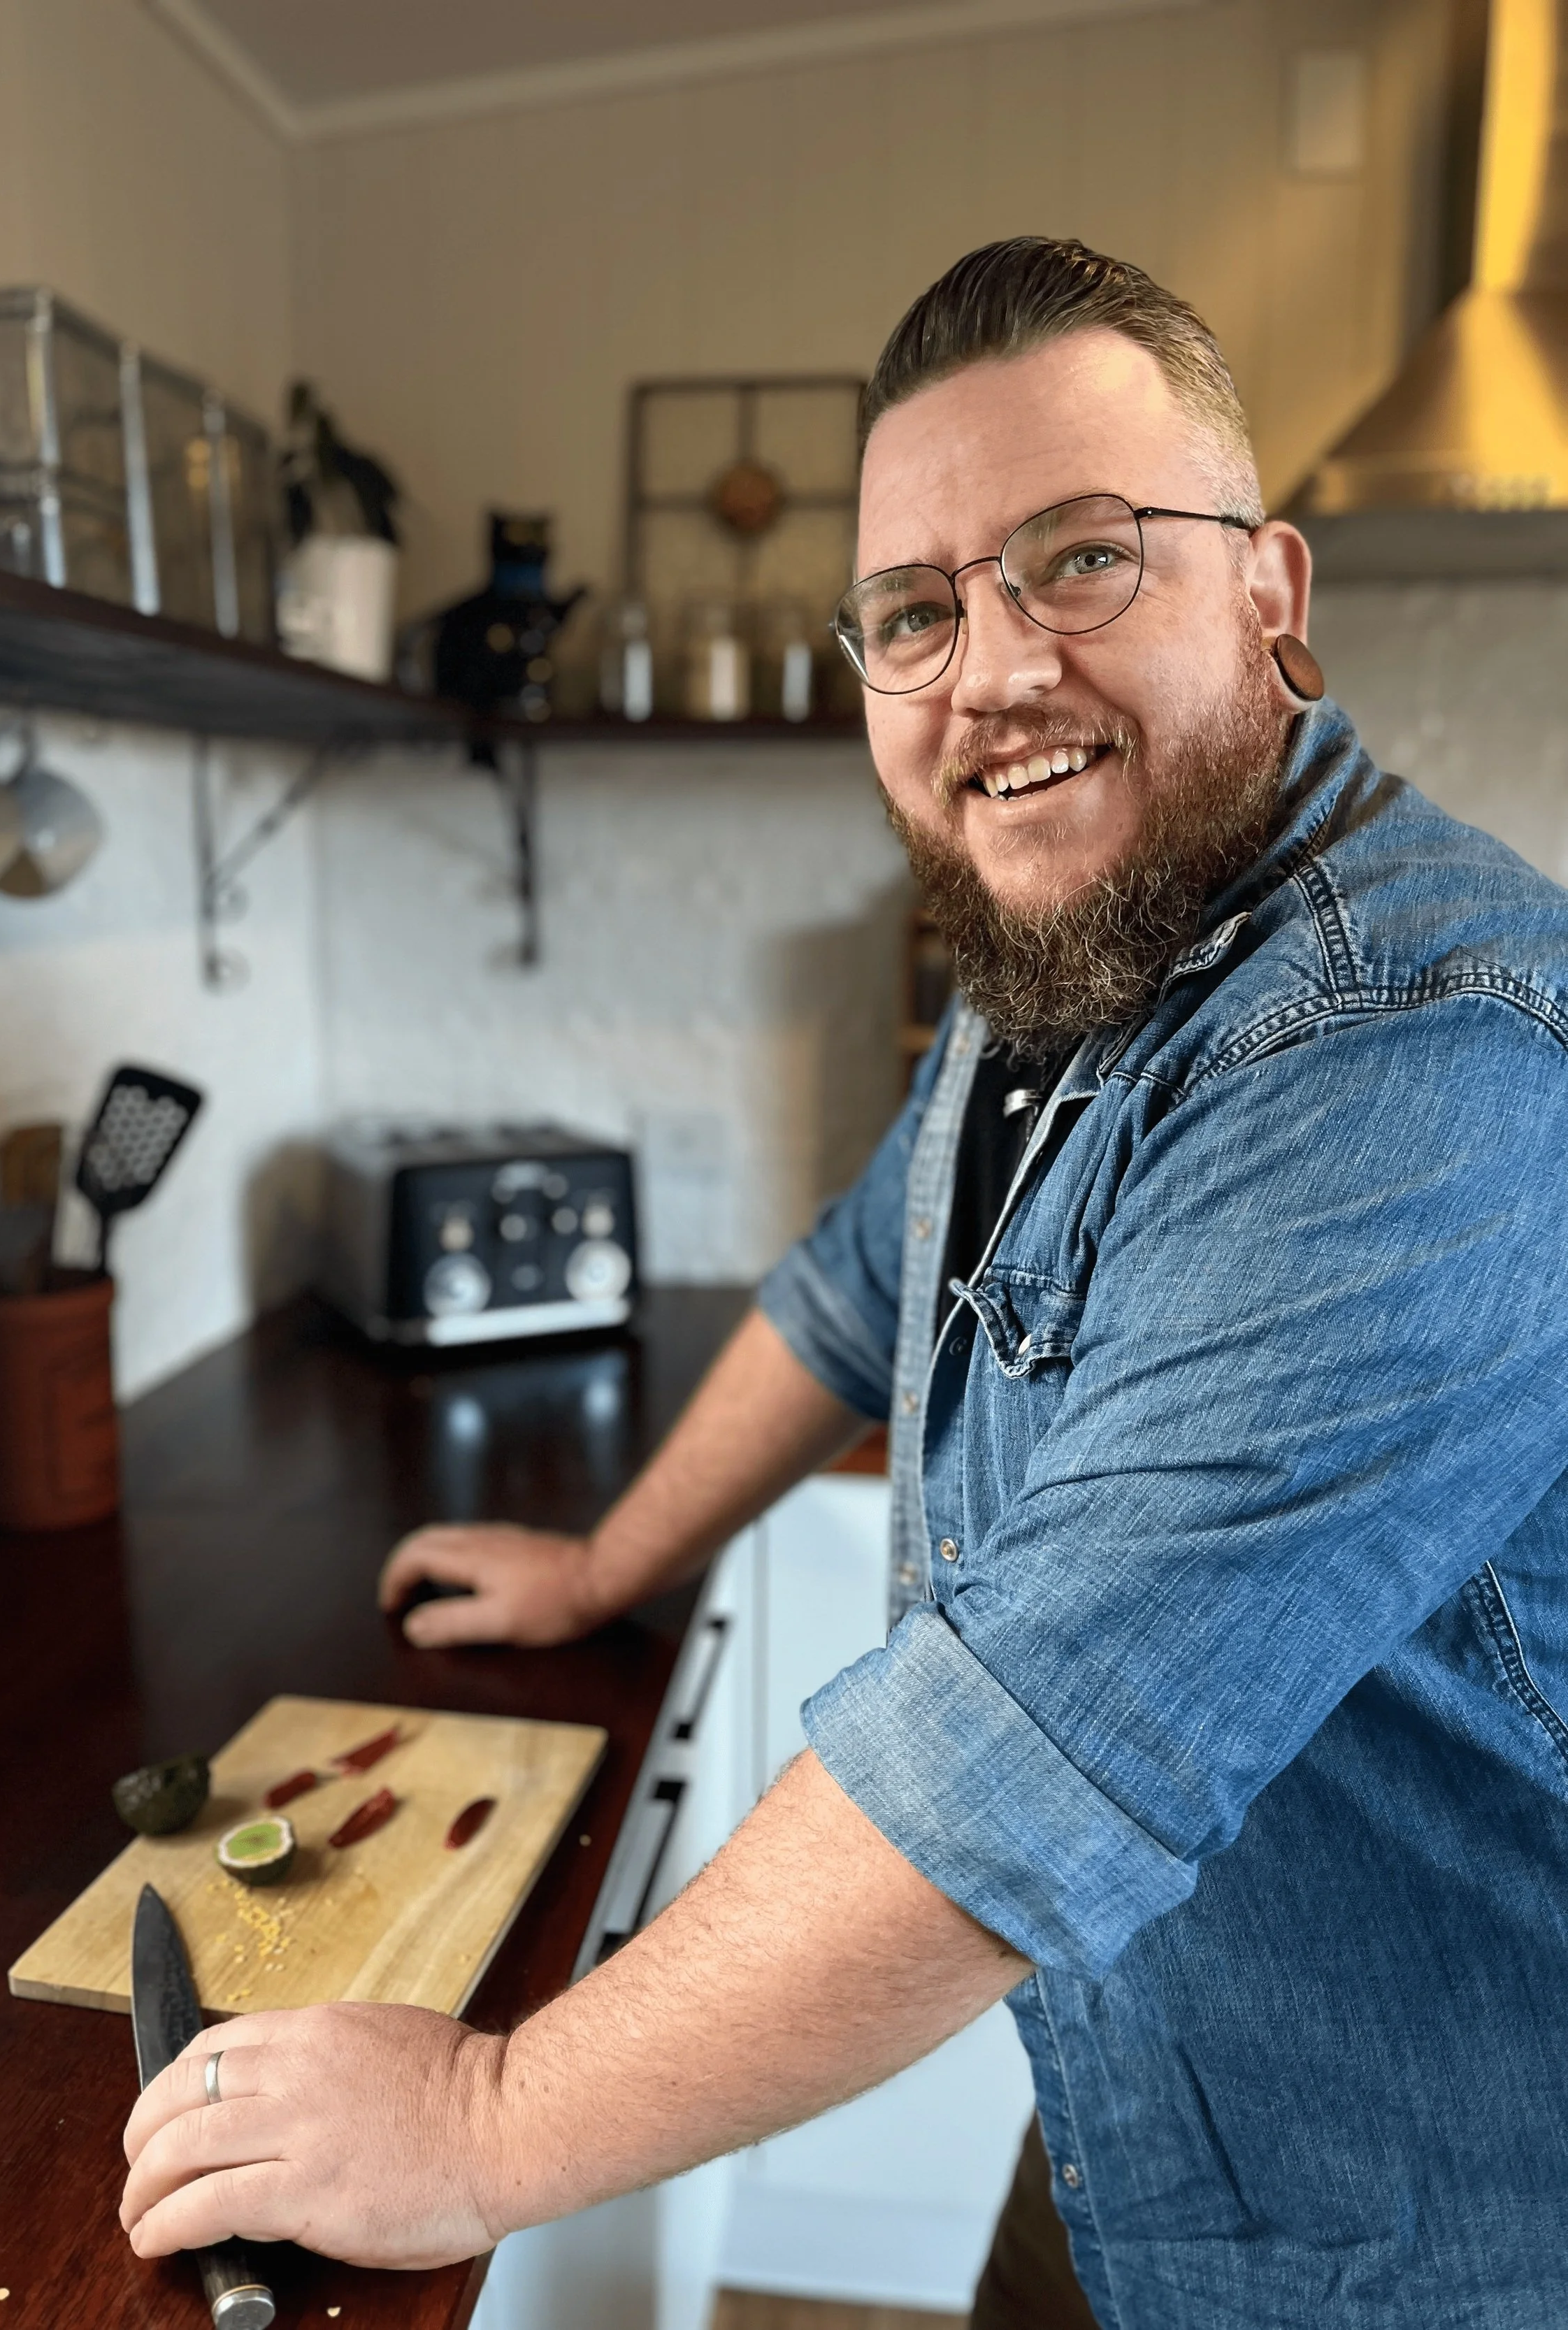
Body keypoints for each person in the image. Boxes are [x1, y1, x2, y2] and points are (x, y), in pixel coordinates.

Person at [119, 239, 1568, 2329]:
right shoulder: (1071, 950)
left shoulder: (1416, 1065)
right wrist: (604, 1561)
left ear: (1267, 595)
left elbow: (1030, 1760)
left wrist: (483, 2114)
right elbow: (857, 1284)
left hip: (1447, 2243)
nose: (989, 672)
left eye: (1079, 559)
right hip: (1171, 2155)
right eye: (913, 608)